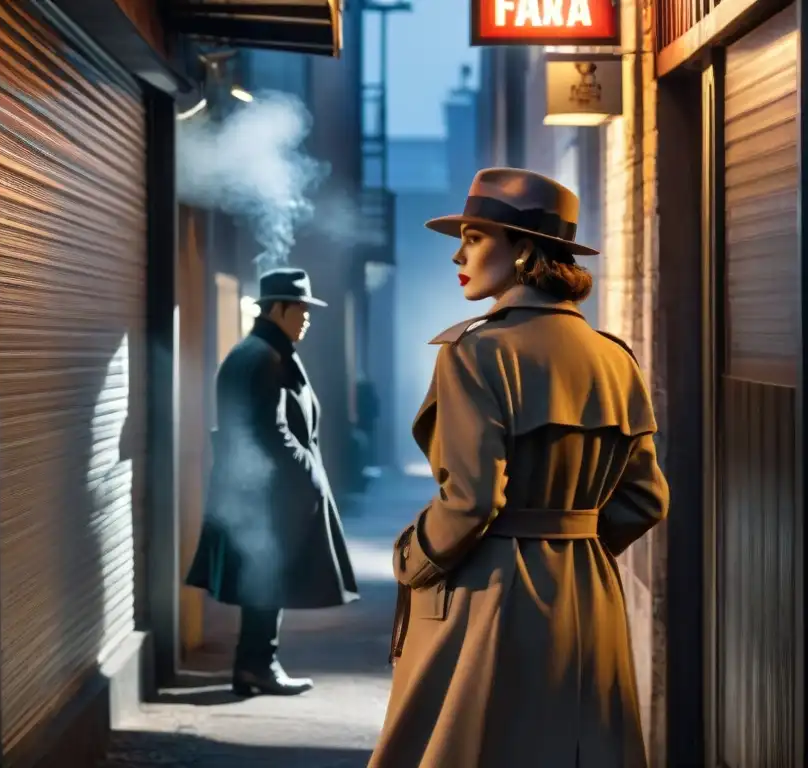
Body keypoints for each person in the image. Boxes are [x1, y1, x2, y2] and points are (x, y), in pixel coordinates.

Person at [369, 168, 670, 767]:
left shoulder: (475, 352)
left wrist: (414, 560)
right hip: (590, 594)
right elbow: (645, 499)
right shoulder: (615, 359)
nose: (459, 252)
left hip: (491, 597)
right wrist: (569, 543)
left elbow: (472, 501)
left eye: (476, 237)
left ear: (523, 249)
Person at [186, 267, 359, 697]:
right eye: (300, 309)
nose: (306, 318)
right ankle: (257, 665)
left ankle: (256, 664)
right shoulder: (264, 356)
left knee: (265, 582)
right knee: (264, 581)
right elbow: (271, 432)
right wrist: (308, 474)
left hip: (259, 493)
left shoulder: (261, 351)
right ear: (277, 309)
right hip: (266, 495)